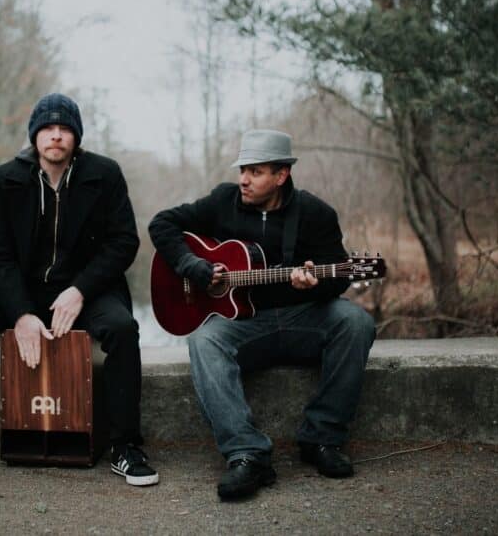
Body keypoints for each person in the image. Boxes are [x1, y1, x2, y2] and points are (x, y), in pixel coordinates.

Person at [0, 93, 158, 488]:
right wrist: (22, 313)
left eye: (65, 129)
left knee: (120, 328)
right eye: (48, 128)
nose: (56, 136)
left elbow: (123, 243)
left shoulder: (105, 173)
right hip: (22, 289)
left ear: (76, 138)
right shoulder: (5, 179)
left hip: (90, 288)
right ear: (34, 136)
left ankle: (125, 447)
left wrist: (80, 289)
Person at [148, 129, 375, 501]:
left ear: (281, 175)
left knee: (355, 322)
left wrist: (314, 284)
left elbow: (338, 276)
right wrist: (192, 266)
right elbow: (162, 225)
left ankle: (322, 439)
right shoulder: (223, 201)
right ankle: (247, 455)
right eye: (242, 170)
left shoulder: (315, 214)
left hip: (304, 318)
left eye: (255, 171)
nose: (243, 179)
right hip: (244, 324)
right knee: (203, 341)